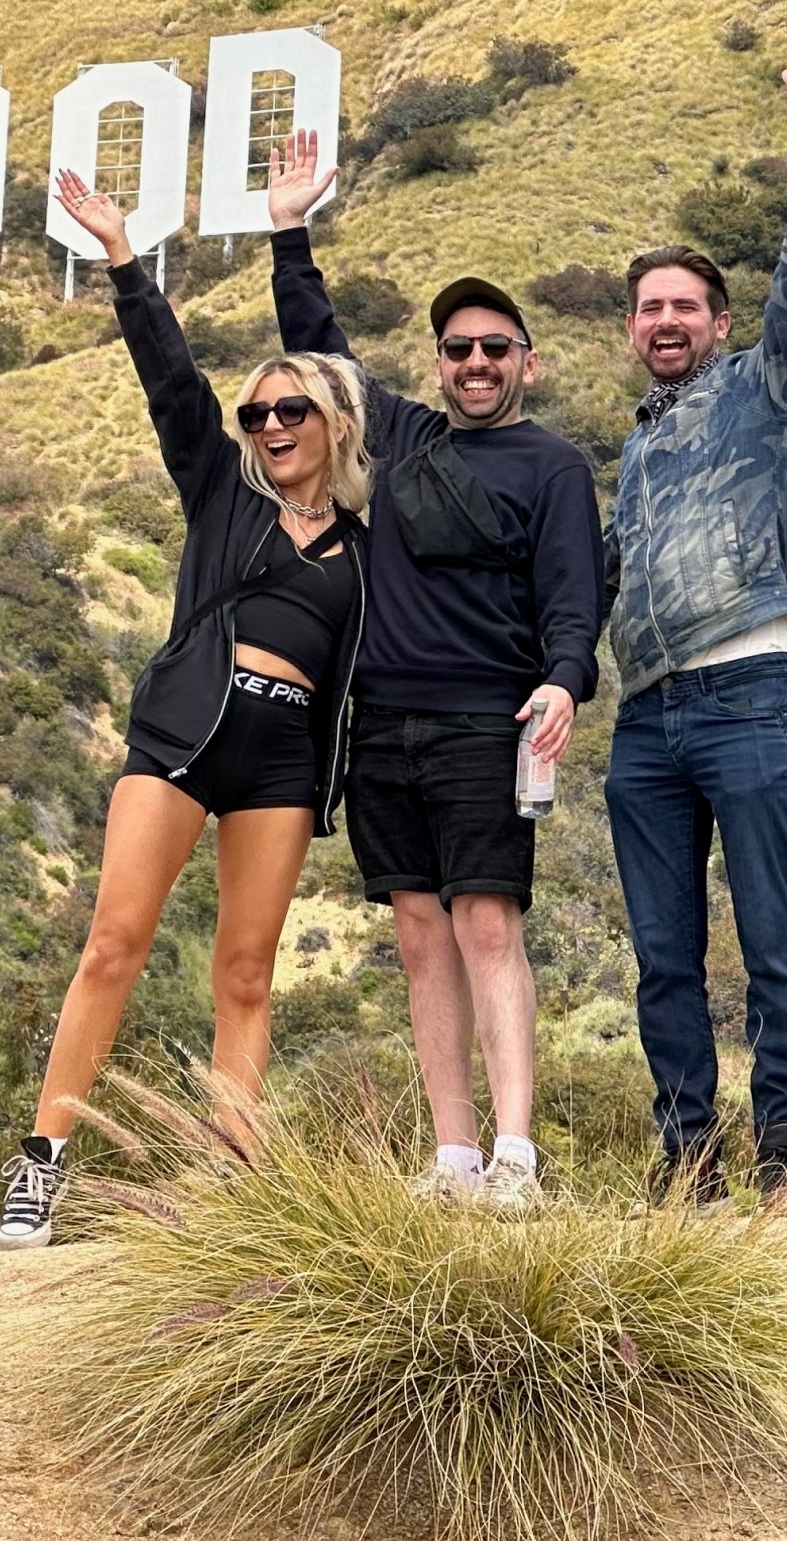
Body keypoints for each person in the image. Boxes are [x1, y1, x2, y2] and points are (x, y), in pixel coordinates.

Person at [0, 169, 372, 1251]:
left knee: (247, 972)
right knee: (114, 942)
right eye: (256, 413)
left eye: (289, 409)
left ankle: (232, 1190)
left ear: (333, 422)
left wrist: (291, 233)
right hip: (184, 734)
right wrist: (122, 256)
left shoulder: (365, 539)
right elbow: (169, 382)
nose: (267, 424)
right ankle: (42, 1166)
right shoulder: (219, 484)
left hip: (287, 759)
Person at [264, 133, 604, 1213]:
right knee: (418, 933)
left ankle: (515, 1155)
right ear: (439, 360)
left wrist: (564, 681)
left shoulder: (551, 466)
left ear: (527, 362)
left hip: (483, 725)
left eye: (495, 348)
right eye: (458, 347)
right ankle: (452, 1159)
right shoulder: (400, 437)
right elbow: (317, 352)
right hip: (384, 724)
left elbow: (572, 594)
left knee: (487, 924)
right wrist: (288, 233)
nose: (475, 363)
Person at [602, 15, 787, 1212]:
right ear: (633, 327)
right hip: (645, 724)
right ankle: (688, 1160)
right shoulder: (633, 448)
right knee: (662, 959)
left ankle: (784, 1155)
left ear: (714, 317)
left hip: (749, 693)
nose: (665, 322)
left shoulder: (756, 392)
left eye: (684, 306)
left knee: (771, 945)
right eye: (648, 308)